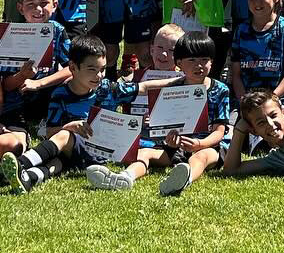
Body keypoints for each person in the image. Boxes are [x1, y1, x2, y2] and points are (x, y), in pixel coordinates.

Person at [0, 34, 148, 189]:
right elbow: (51, 132)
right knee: (57, 161)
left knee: (64, 140)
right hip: (76, 152)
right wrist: (69, 127)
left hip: (102, 152)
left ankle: (18, 165)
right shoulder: (60, 94)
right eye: (92, 69)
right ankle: (28, 178)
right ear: (73, 67)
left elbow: (145, 87)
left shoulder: (109, 89)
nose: (99, 75)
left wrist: (173, 82)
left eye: (103, 69)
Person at [85, 27, 231, 196]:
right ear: (179, 64)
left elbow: (220, 131)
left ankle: (184, 180)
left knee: (200, 158)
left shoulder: (220, 89)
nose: (198, 65)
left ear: (212, 62)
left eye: (204, 60)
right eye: (191, 60)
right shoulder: (172, 88)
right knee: (144, 152)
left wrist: (200, 144)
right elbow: (163, 122)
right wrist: (168, 138)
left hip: (208, 146)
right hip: (173, 147)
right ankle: (124, 177)